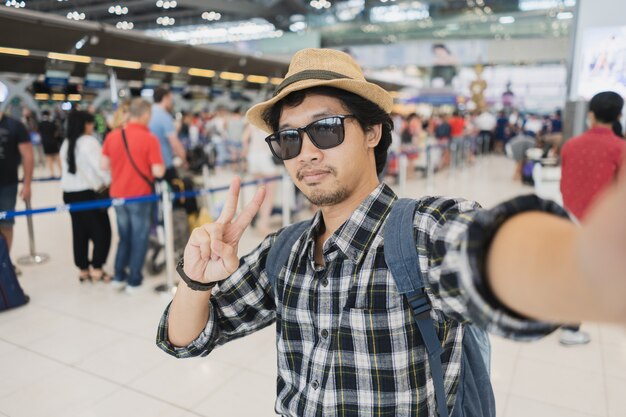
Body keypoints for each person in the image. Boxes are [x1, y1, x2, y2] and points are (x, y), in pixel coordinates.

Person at [157, 49, 626, 416]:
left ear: (373, 132)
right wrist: (196, 280)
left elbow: (488, 251)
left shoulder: (420, 234)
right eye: (288, 139)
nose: (305, 154)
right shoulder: (286, 250)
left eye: (325, 129)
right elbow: (187, 339)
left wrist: (581, 264)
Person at [559, 91, 625, 345]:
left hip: (571, 219)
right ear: (619, 115)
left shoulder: (571, 145)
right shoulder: (620, 148)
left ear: (591, 115)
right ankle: (570, 329)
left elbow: (565, 184)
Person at [101, 98, 165, 293]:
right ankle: (134, 280)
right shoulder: (149, 139)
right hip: (140, 196)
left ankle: (119, 275)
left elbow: (103, 165)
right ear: (145, 115)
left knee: (124, 236)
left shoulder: (112, 136)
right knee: (140, 237)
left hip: (118, 195)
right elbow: (158, 172)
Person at [60, 111, 112, 283]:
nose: (92, 126)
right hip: (88, 194)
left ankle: (83, 268)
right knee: (101, 231)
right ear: (84, 124)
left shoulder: (66, 143)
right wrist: (109, 182)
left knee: (79, 231)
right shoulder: (89, 142)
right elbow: (101, 168)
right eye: (90, 123)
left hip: (69, 193)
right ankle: (97, 268)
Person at [0, 110, 33, 259]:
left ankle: (4, 262)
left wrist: (27, 185)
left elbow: (28, 156)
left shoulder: (15, 126)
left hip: (7, 185)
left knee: (6, 224)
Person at [148, 86, 187, 181]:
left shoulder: (148, 114)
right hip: (164, 164)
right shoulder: (165, 117)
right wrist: (184, 159)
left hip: (150, 165)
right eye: (170, 99)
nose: (171, 103)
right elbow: (174, 142)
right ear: (165, 98)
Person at [38, 110, 62, 178]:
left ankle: (52, 173)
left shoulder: (40, 124)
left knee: (48, 158)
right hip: (53, 142)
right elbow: (56, 133)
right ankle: (62, 171)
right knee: (57, 157)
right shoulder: (52, 123)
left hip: (45, 143)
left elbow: (39, 133)